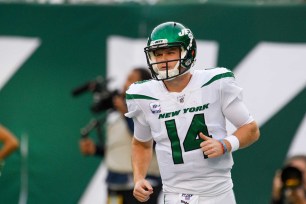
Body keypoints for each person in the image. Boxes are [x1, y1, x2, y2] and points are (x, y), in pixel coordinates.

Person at [125, 21, 260, 204]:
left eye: (170, 52)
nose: (163, 60)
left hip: (218, 193)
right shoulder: (142, 96)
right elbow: (141, 144)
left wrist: (226, 144)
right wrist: (139, 177)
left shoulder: (215, 83)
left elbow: (250, 129)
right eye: (158, 54)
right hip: (174, 194)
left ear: (189, 52)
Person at [79, 68, 162, 204]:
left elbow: (150, 144)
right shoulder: (116, 115)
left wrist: (126, 114)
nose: (125, 84)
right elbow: (120, 151)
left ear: (143, 84)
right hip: (115, 184)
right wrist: (96, 150)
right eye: (126, 79)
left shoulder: (152, 111)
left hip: (140, 186)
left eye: (130, 79)